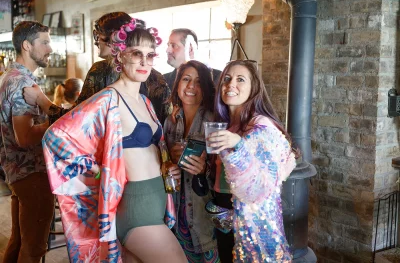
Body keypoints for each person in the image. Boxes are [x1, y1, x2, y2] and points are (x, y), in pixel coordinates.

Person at [42, 17, 187, 263]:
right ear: (119, 56)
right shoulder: (108, 100)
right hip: (136, 211)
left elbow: (153, 152)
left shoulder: (146, 101)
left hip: (155, 205)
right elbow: (55, 138)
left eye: (150, 55)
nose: (144, 61)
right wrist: (98, 171)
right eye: (136, 53)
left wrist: (168, 166)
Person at [206, 60, 297, 262]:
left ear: (253, 88)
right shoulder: (226, 125)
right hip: (223, 213)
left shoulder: (262, 126)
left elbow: (263, 184)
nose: (231, 85)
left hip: (252, 221)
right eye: (227, 79)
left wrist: (239, 145)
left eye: (240, 79)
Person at [23, 12, 171, 125]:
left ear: (113, 38)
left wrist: (41, 100)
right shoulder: (156, 76)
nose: (96, 43)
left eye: (98, 36)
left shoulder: (100, 71)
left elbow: (75, 121)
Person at [0, 21, 54, 263]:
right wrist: (54, 124)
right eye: (44, 42)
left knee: (19, 241)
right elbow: (25, 137)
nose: (50, 48)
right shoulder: (22, 82)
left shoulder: (7, 76)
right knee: (33, 249)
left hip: (16, 171)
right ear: (26, 45)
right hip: (31, 172)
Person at [164, 60, 219, 262]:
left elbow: (228, 173)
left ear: (205, 88)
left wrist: (204, 169)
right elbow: (161, 160)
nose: (191, 86)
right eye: (186, 79)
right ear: (177, 84)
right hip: (175, 214)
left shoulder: (213, 122)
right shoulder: (170, 121)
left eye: (198, 81)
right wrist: (169, 164)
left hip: (204, 218)